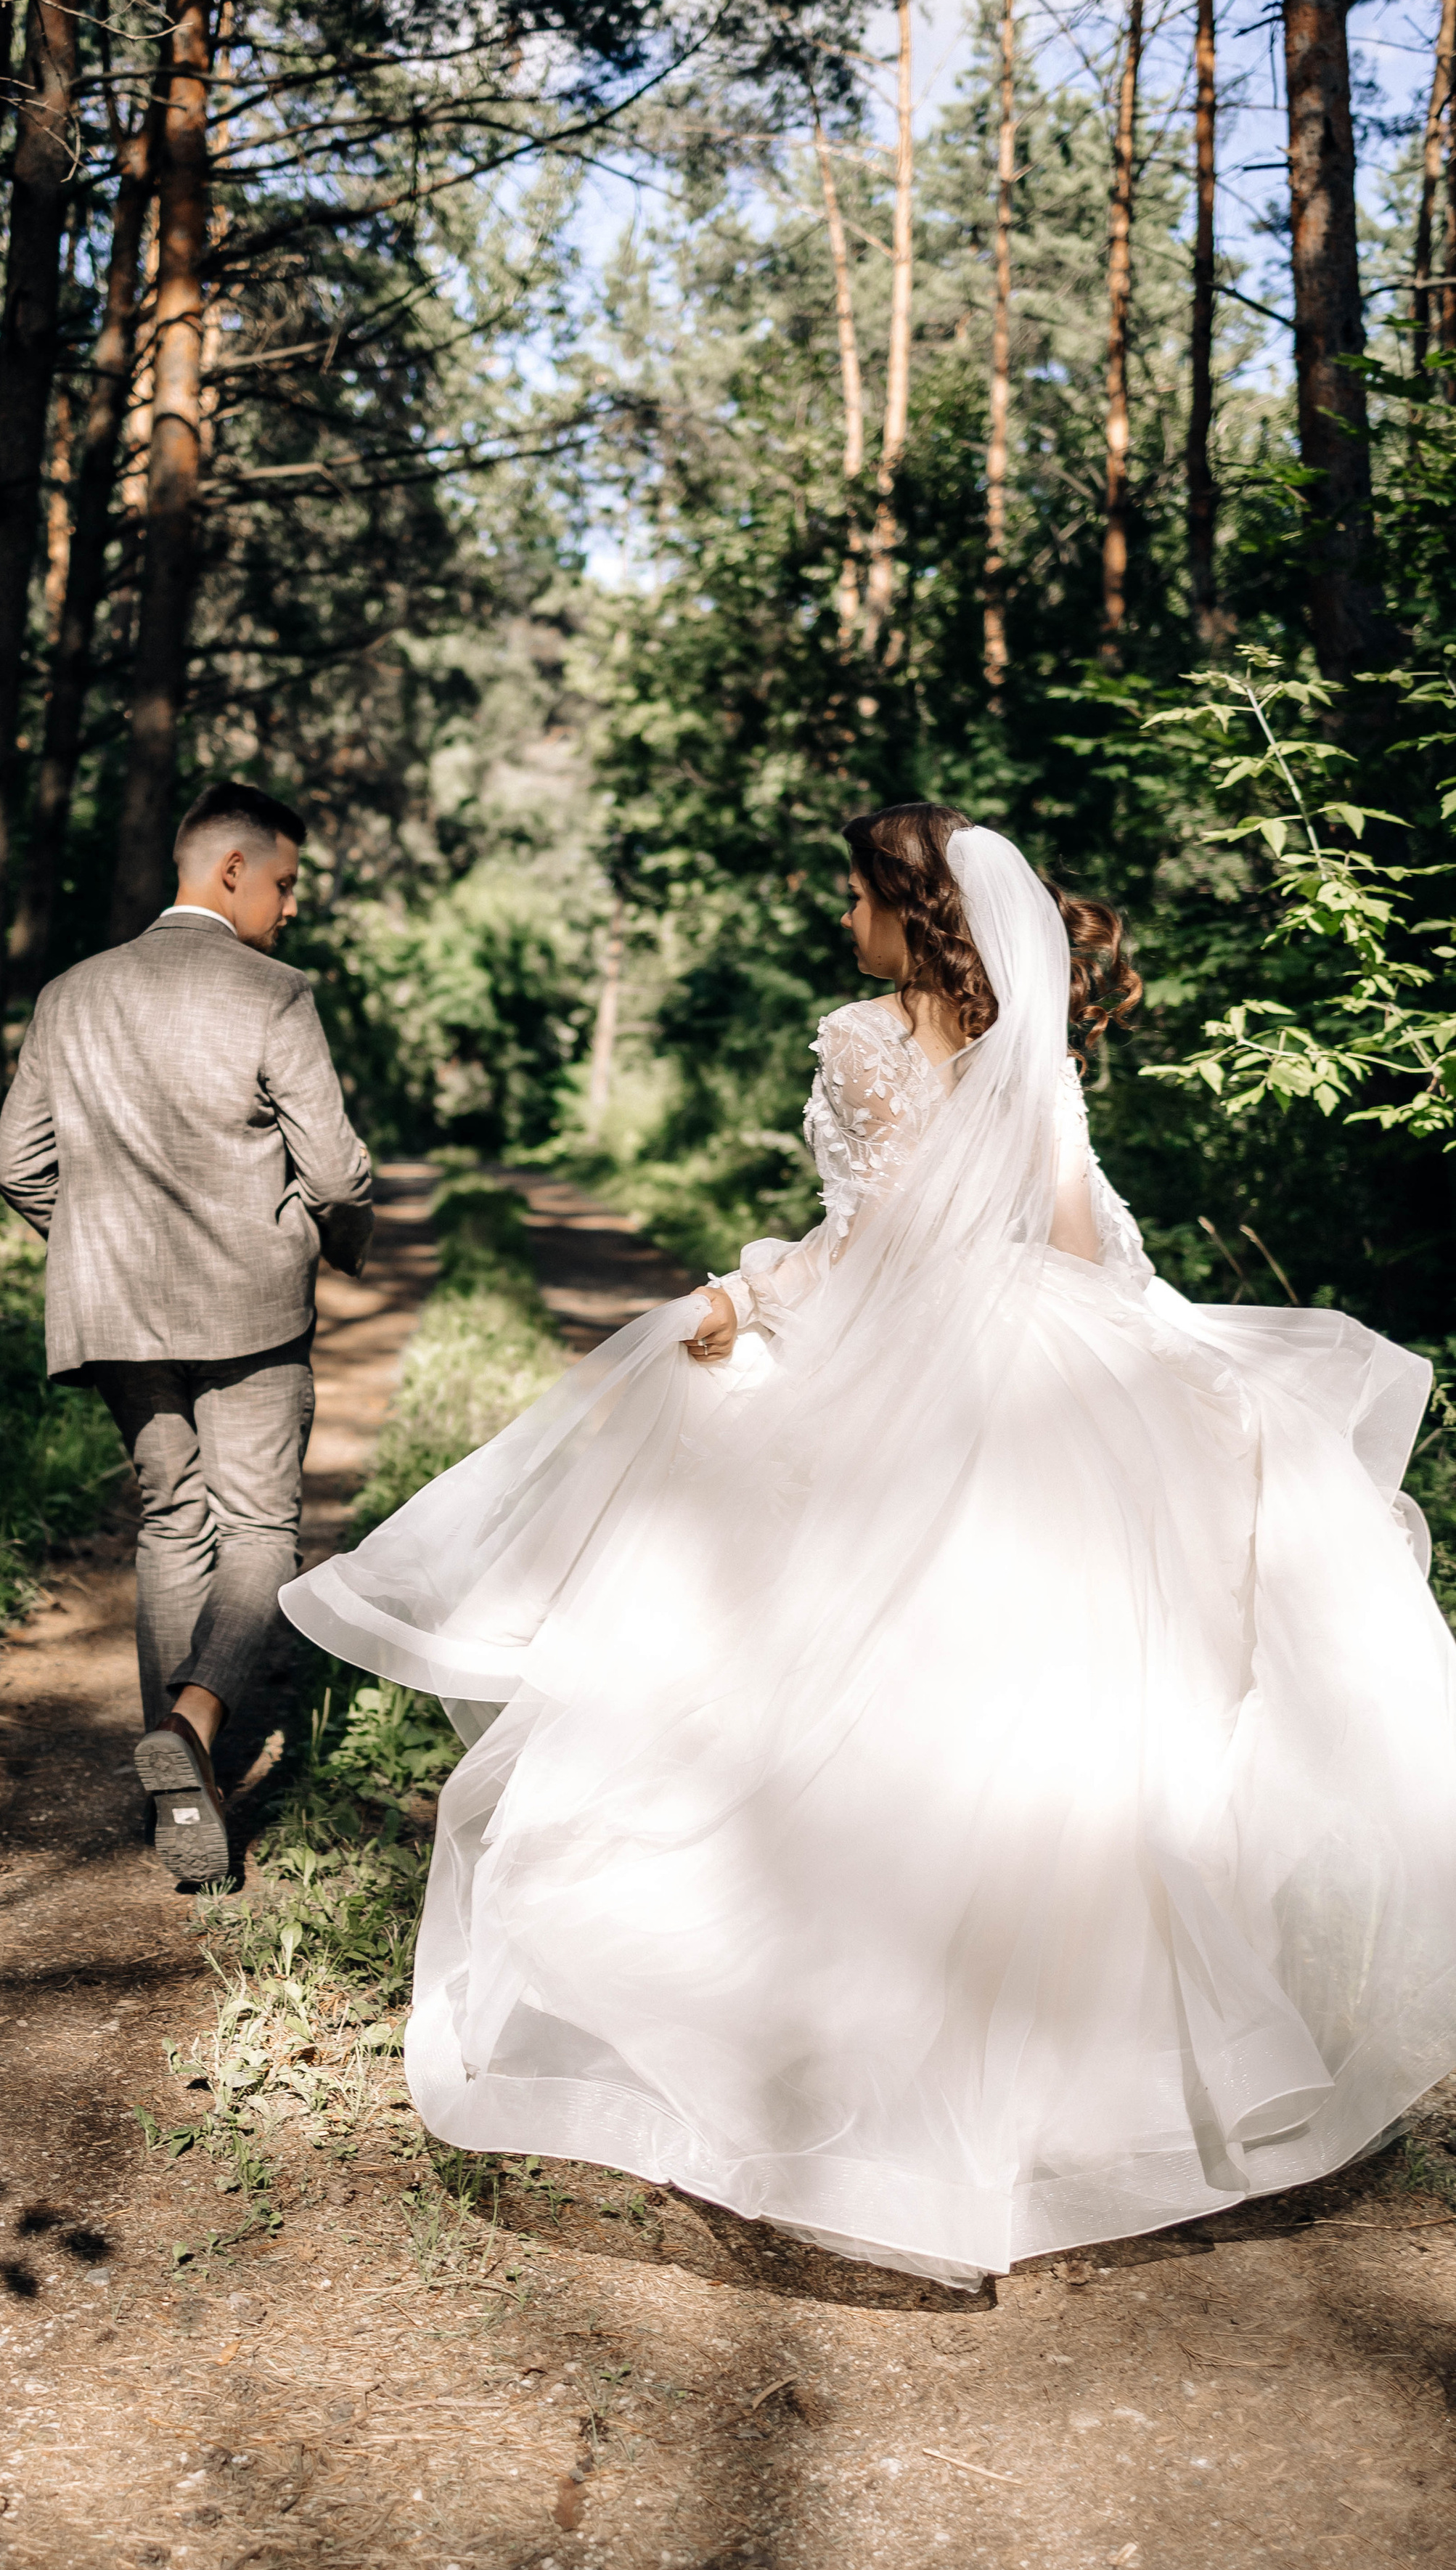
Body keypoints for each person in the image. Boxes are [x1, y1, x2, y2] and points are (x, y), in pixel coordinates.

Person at [282, 804, 1456, 2288]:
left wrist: (749, 1293)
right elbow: (1083, 1244)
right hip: (1052, 1368)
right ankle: (1071, 2085)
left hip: (928, 1371)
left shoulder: (860, 1038)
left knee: (858, 1699)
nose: (842, 920)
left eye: (853, 895)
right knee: (1048, 1729)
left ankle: (830, 2053)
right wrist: (1150, 1365)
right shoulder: (1029, 1043)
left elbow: (881, 1244)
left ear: (907, 908)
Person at [0, 778, 372, 1885]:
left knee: (172, 1523)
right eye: (285, 884)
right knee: (259, 1532)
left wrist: (97, 1248)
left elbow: (14, 1163)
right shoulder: (274, 992)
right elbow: (336, 1170)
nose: (291, 907)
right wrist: (328, 1242)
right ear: (231, 870)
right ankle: (194, 1726)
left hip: (117, 1312)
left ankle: (180, 1794)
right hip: (251, 1305)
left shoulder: (70, 993)